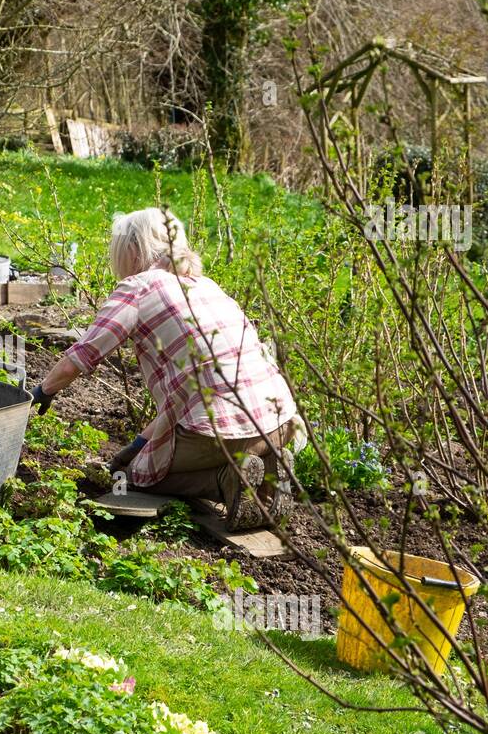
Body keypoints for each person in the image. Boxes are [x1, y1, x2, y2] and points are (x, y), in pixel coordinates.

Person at [31, 208, 301, 531]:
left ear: (132, 252)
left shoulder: (139, 287)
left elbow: (86, 351)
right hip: (280, 422)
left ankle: (227, 480)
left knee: (135, 477)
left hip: (221, 431)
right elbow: (191, 395)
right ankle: (268, 467)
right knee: (150, 455)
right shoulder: (208, 287)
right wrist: (137, 445)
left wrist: (43, 390)